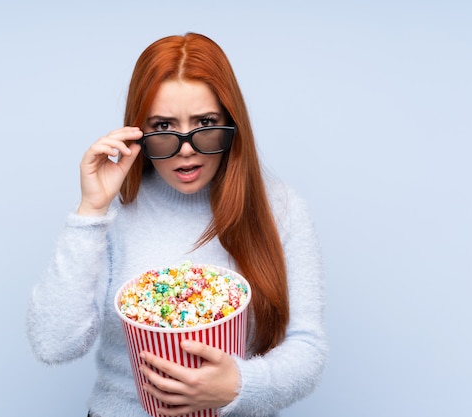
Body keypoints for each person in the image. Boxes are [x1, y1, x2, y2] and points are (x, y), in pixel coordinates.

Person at [27, 32, 327, 417]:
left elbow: (307, 349)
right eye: (164, 127)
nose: (186, 148)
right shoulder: (112, 210)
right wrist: (91, 210)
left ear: (231, 123)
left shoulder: (281, 209)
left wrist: (238, 385)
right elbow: (54, 344)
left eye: (205, 122)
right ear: (139, 132)